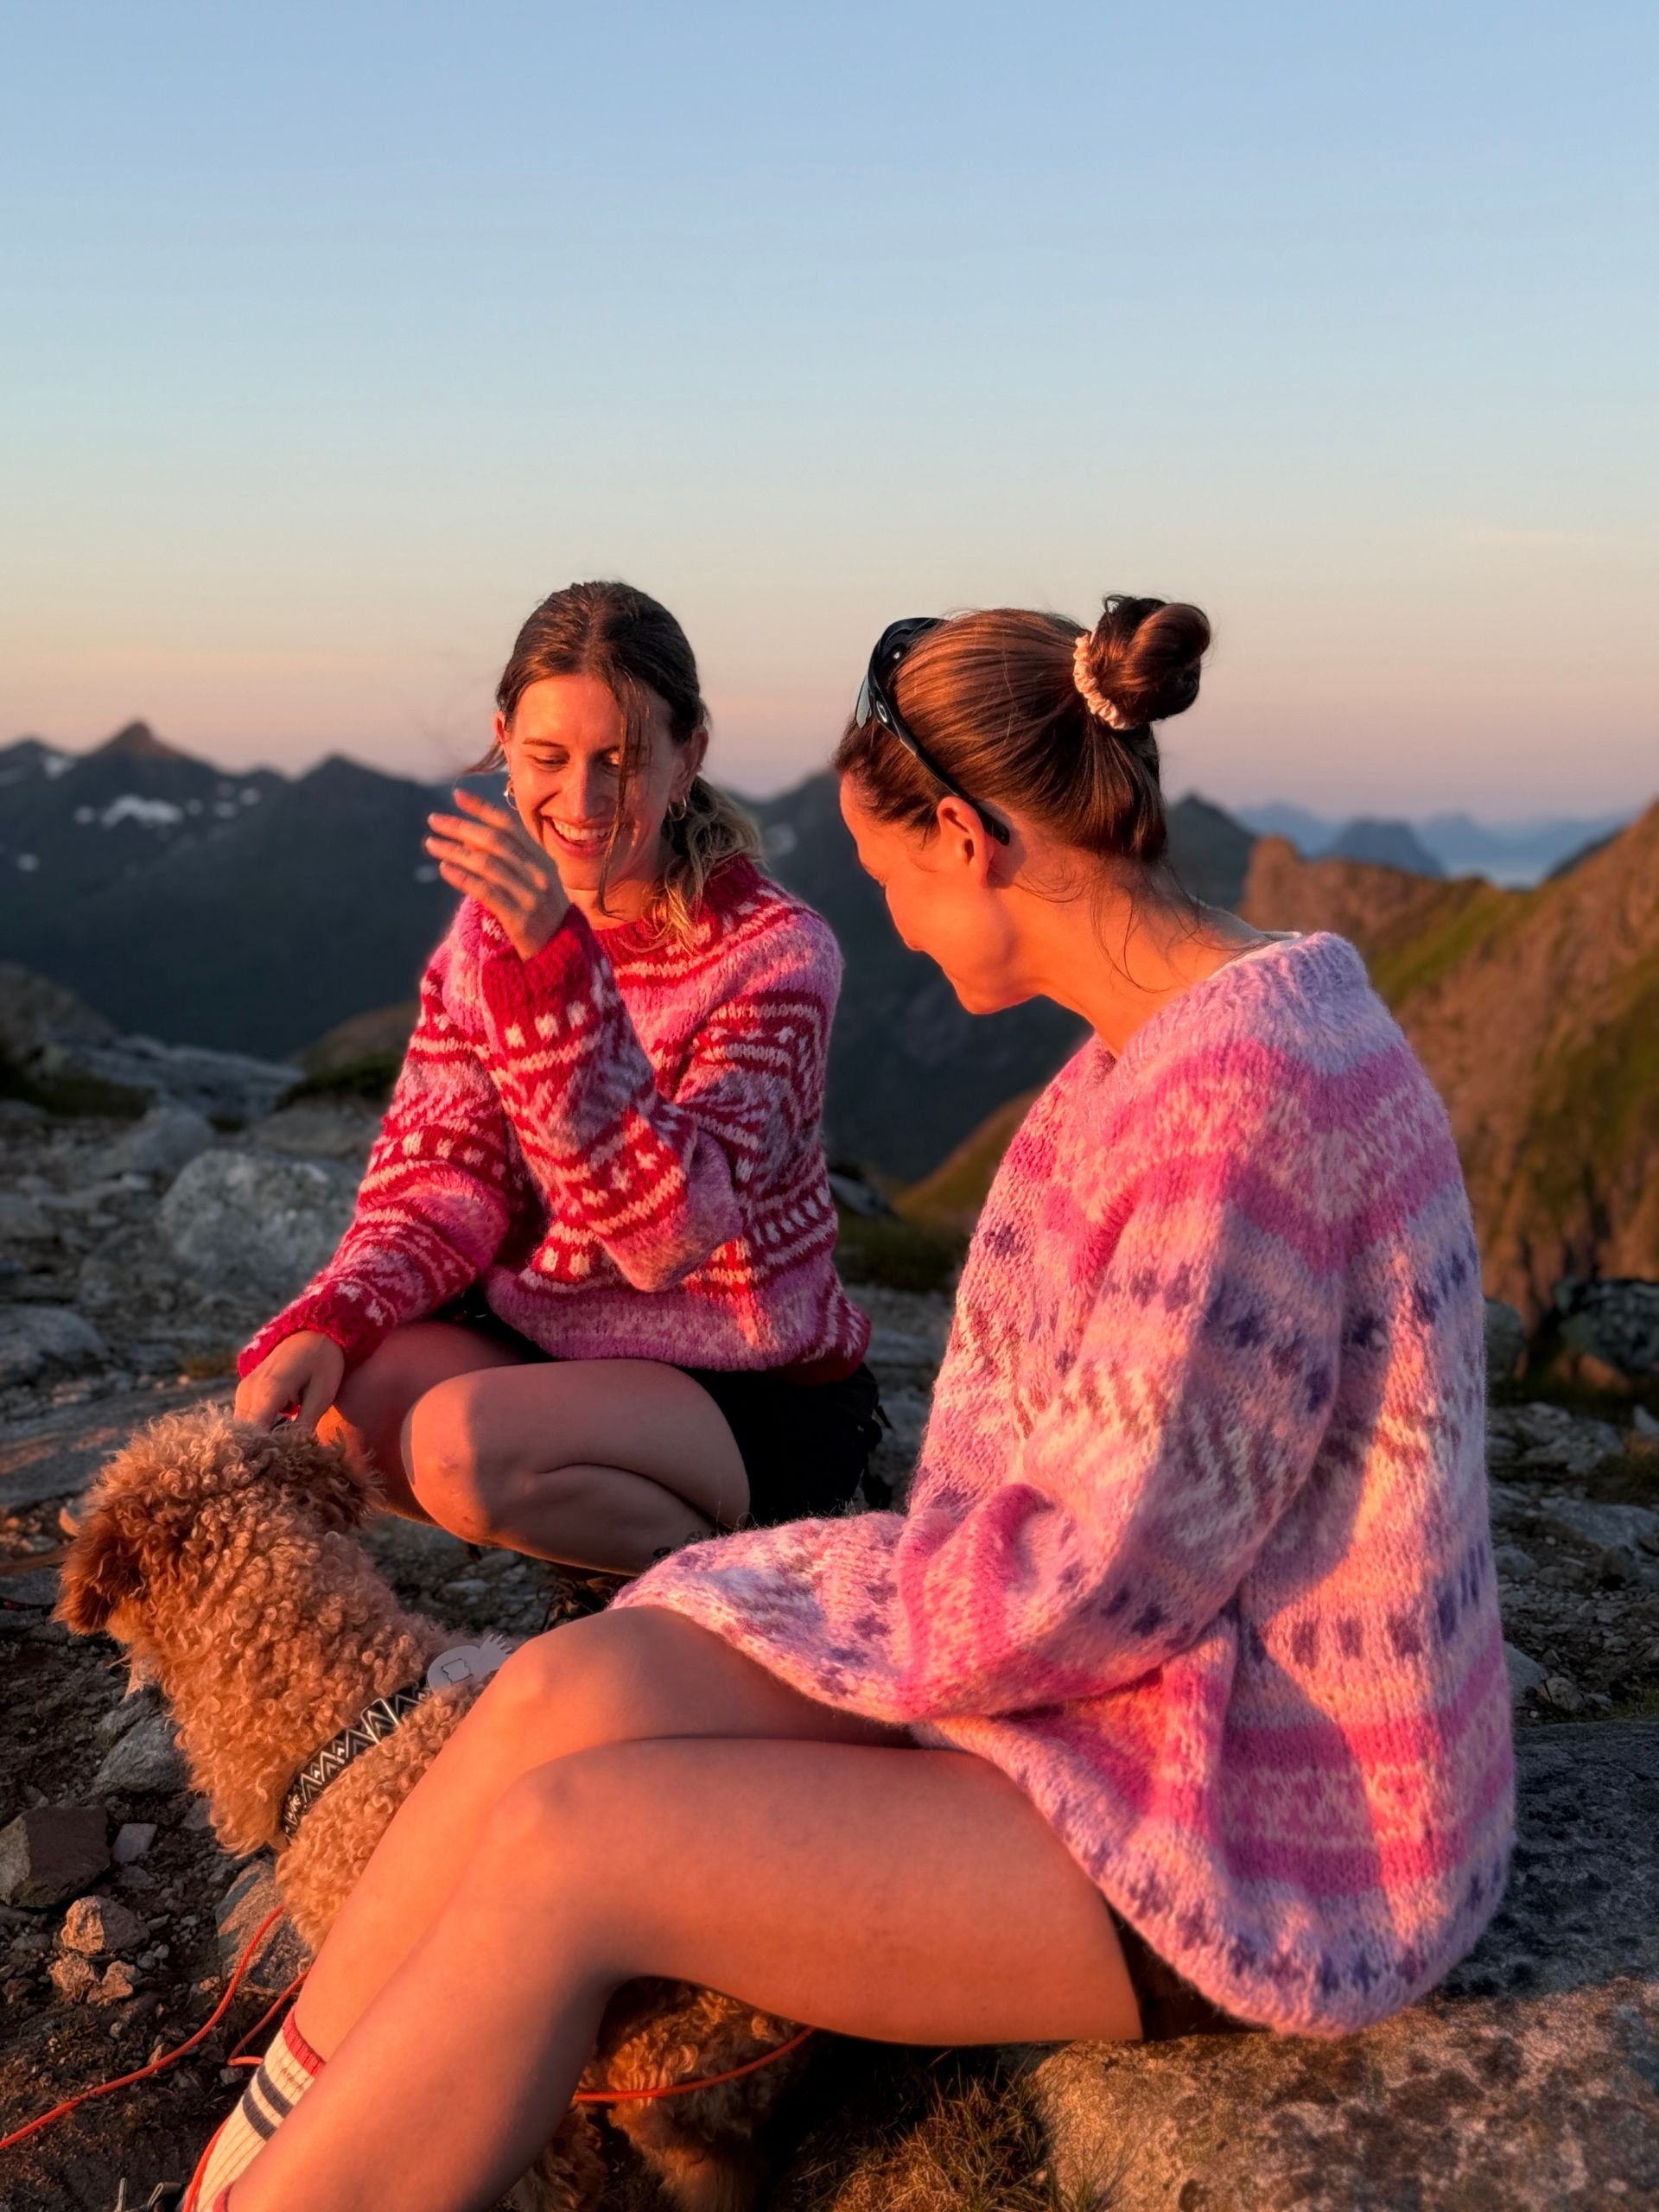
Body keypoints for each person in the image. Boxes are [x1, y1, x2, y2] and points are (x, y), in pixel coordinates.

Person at [200, 593, 1513, 2212]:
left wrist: (803, 1600)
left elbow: (1096, 1581)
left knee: (572, 1848)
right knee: (565, 1695)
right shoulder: (1160, 1054)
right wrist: (760, 1608)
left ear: (966, 837)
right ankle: (249, 2165)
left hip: (1249, 1820)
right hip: (1117, 1685)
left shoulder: (1233, 1111)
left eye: (892, 874)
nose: (884, 917)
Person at [233, 581, 880, 1573]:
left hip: (744, 1383)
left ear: (688, 757)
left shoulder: (777, 955)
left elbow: (669, 1234)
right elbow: (440, 1180)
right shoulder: (484, 937)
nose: (579, 804)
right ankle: (596, 1525)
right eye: (548, 758)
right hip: (555, 1350)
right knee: (335, 1403)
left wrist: (555, 981)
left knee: (462, 1448)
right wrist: (337, 1313)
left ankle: (729, 1580)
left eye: (619, 762)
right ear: (503, 741)